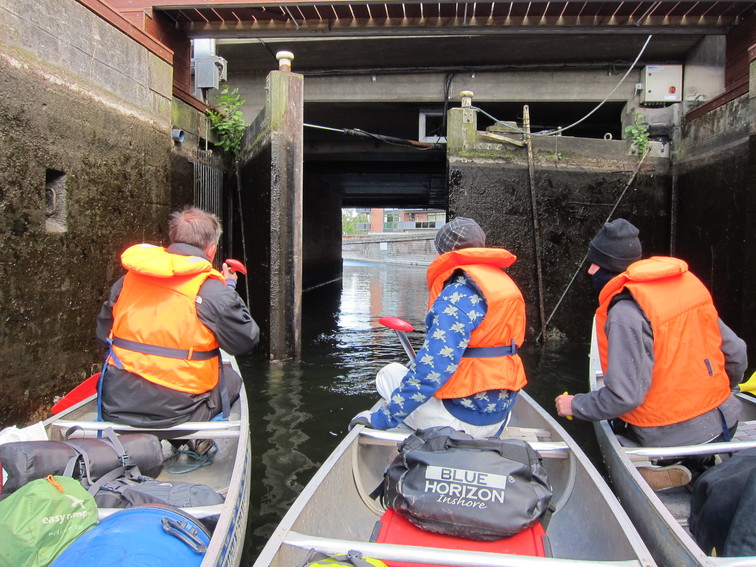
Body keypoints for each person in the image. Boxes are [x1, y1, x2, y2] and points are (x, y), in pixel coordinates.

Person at [555, 218, 747, 487]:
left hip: (668, 437)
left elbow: (624, 397)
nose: (589, 271)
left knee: (616, 419)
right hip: (726, 421)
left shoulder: (625, 312)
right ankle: (703, 462)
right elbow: (737, 353)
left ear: (609, 266)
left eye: (594, 263)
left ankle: (666, 467)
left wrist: (575, 405)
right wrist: (721, 391)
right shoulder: (689, 287)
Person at [350, 217, 527, 437]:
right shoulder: (504, 284)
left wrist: (381, 419)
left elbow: (432, 371)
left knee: (388, 374)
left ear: (441, 253)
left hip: (458, 423)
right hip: (500, 417)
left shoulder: (455, 296)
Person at [96, 206, 260, 431]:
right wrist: (228, 288)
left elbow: (103, 335)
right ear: (211, 250)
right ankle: (193, 440)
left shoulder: (126, 281)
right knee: (231, 379)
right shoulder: (212, 291)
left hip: (116, 403)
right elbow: (245, 340)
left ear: (172, 240)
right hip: (178, 413)